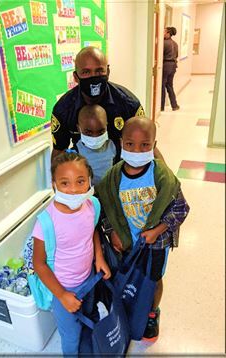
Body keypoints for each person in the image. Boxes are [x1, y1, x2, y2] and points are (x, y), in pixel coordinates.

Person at [95, 116, 190, 341]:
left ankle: (151, 313)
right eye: (130, 144)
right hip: (127, 242)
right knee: (131, 276)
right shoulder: (113, 178)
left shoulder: (163, 177)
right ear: (121, 143)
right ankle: (131, 306)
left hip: (156, 243)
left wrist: (157, 230)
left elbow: (181, 208)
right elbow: (104, 209)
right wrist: (112, 232)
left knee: (153, 279)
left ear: (154, 146)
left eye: (145, 145)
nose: (137, 150)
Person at [32, 151, 111, 355]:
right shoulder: (46, 223)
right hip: (63, 287)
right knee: (71, 334)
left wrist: (99, 257)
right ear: (54, 184)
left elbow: (91, 229)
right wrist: (62, 295)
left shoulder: (92, 205)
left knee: (91, 315)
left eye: (80, 181)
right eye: (65, 183)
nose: (74, 190)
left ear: (89, 181)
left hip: (89, 279)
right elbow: (39, 264)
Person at [51, 46, 146, 162]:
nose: (94, 77)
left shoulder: (128, 103)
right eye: (86, 72)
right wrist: (56, 179)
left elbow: (145, 143)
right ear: (76, 77)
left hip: (120, 170)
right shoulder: (63, 109)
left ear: (108, 72)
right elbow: (59, 150)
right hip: (83, 173)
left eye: (99, 71)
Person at [75, 104, 116, 185]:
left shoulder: (113, 146)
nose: (95, 137)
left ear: (106, 126)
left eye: (101, 132)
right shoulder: (75, 153)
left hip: (109, 192)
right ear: (79, 128)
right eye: (88, 133)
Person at [161, 27, 180, 111]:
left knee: (162, 86)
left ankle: (161, 107)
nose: (163, 33)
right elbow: (176, 55)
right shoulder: (175, 44)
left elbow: (160, 56)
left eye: (164, 31)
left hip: (166, 66)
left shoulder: (164, 43)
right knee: (169, 86)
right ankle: (174, 105)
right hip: (173, 66)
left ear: (168, 33)